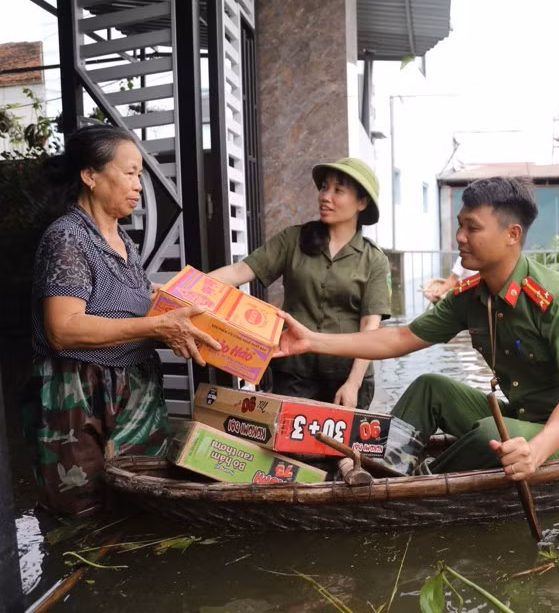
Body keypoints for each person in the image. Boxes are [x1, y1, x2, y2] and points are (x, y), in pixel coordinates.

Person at [275, 176, 559, 479]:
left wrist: (534, 453)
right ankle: (383, 469)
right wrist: (311, 340)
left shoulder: (555, 298)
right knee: (431, 387)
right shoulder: (471, 296)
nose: (459, 236)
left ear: (512, 234)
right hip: (526, 418)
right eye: (460, 224)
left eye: (472, 227)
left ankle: (419, 482)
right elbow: (399, 337)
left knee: (491, 432)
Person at [29, 124, 220, 515]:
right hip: (79, 390)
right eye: (129, 173)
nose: (138, 185)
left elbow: (129, 302)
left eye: (140, 175)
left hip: (136, 387)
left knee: (142, 498)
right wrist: (156, 327)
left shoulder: (124, 241)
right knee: (81, 506)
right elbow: (63, 328)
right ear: (90, 175)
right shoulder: (67, 237)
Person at [208, 158, 390, 409]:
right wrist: (184, 286)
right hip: (293, 373)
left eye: (338, 190)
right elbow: (240, 271)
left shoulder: (374, 259)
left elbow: (370, 326)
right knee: (287, 448)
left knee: (340, 448)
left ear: (362, 202)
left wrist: (353, 384)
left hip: (346, 376)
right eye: (324, 187)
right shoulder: (293, 240)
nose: (325, 196)